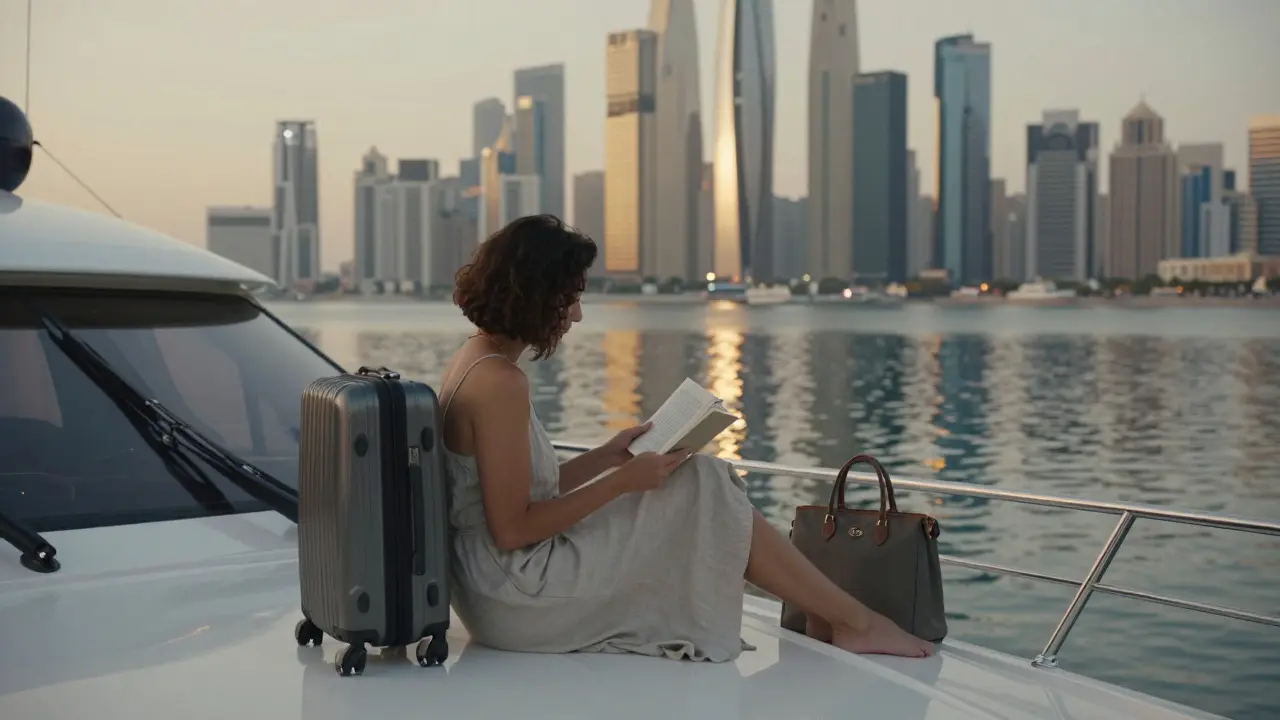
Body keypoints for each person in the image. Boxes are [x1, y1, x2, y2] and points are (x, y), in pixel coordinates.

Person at [438, 214, 934, 661]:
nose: (576, 316)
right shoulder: (500, 383)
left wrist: (608, 458)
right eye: (571, 298)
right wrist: (625, 481)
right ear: (537, 294)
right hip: (518, 593)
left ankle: (832, 616)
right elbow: (513, 529)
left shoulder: (476, 361)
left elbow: (511, 495)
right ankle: (853, 622)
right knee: (705, 483)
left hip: (495, 583)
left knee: (702, 479)